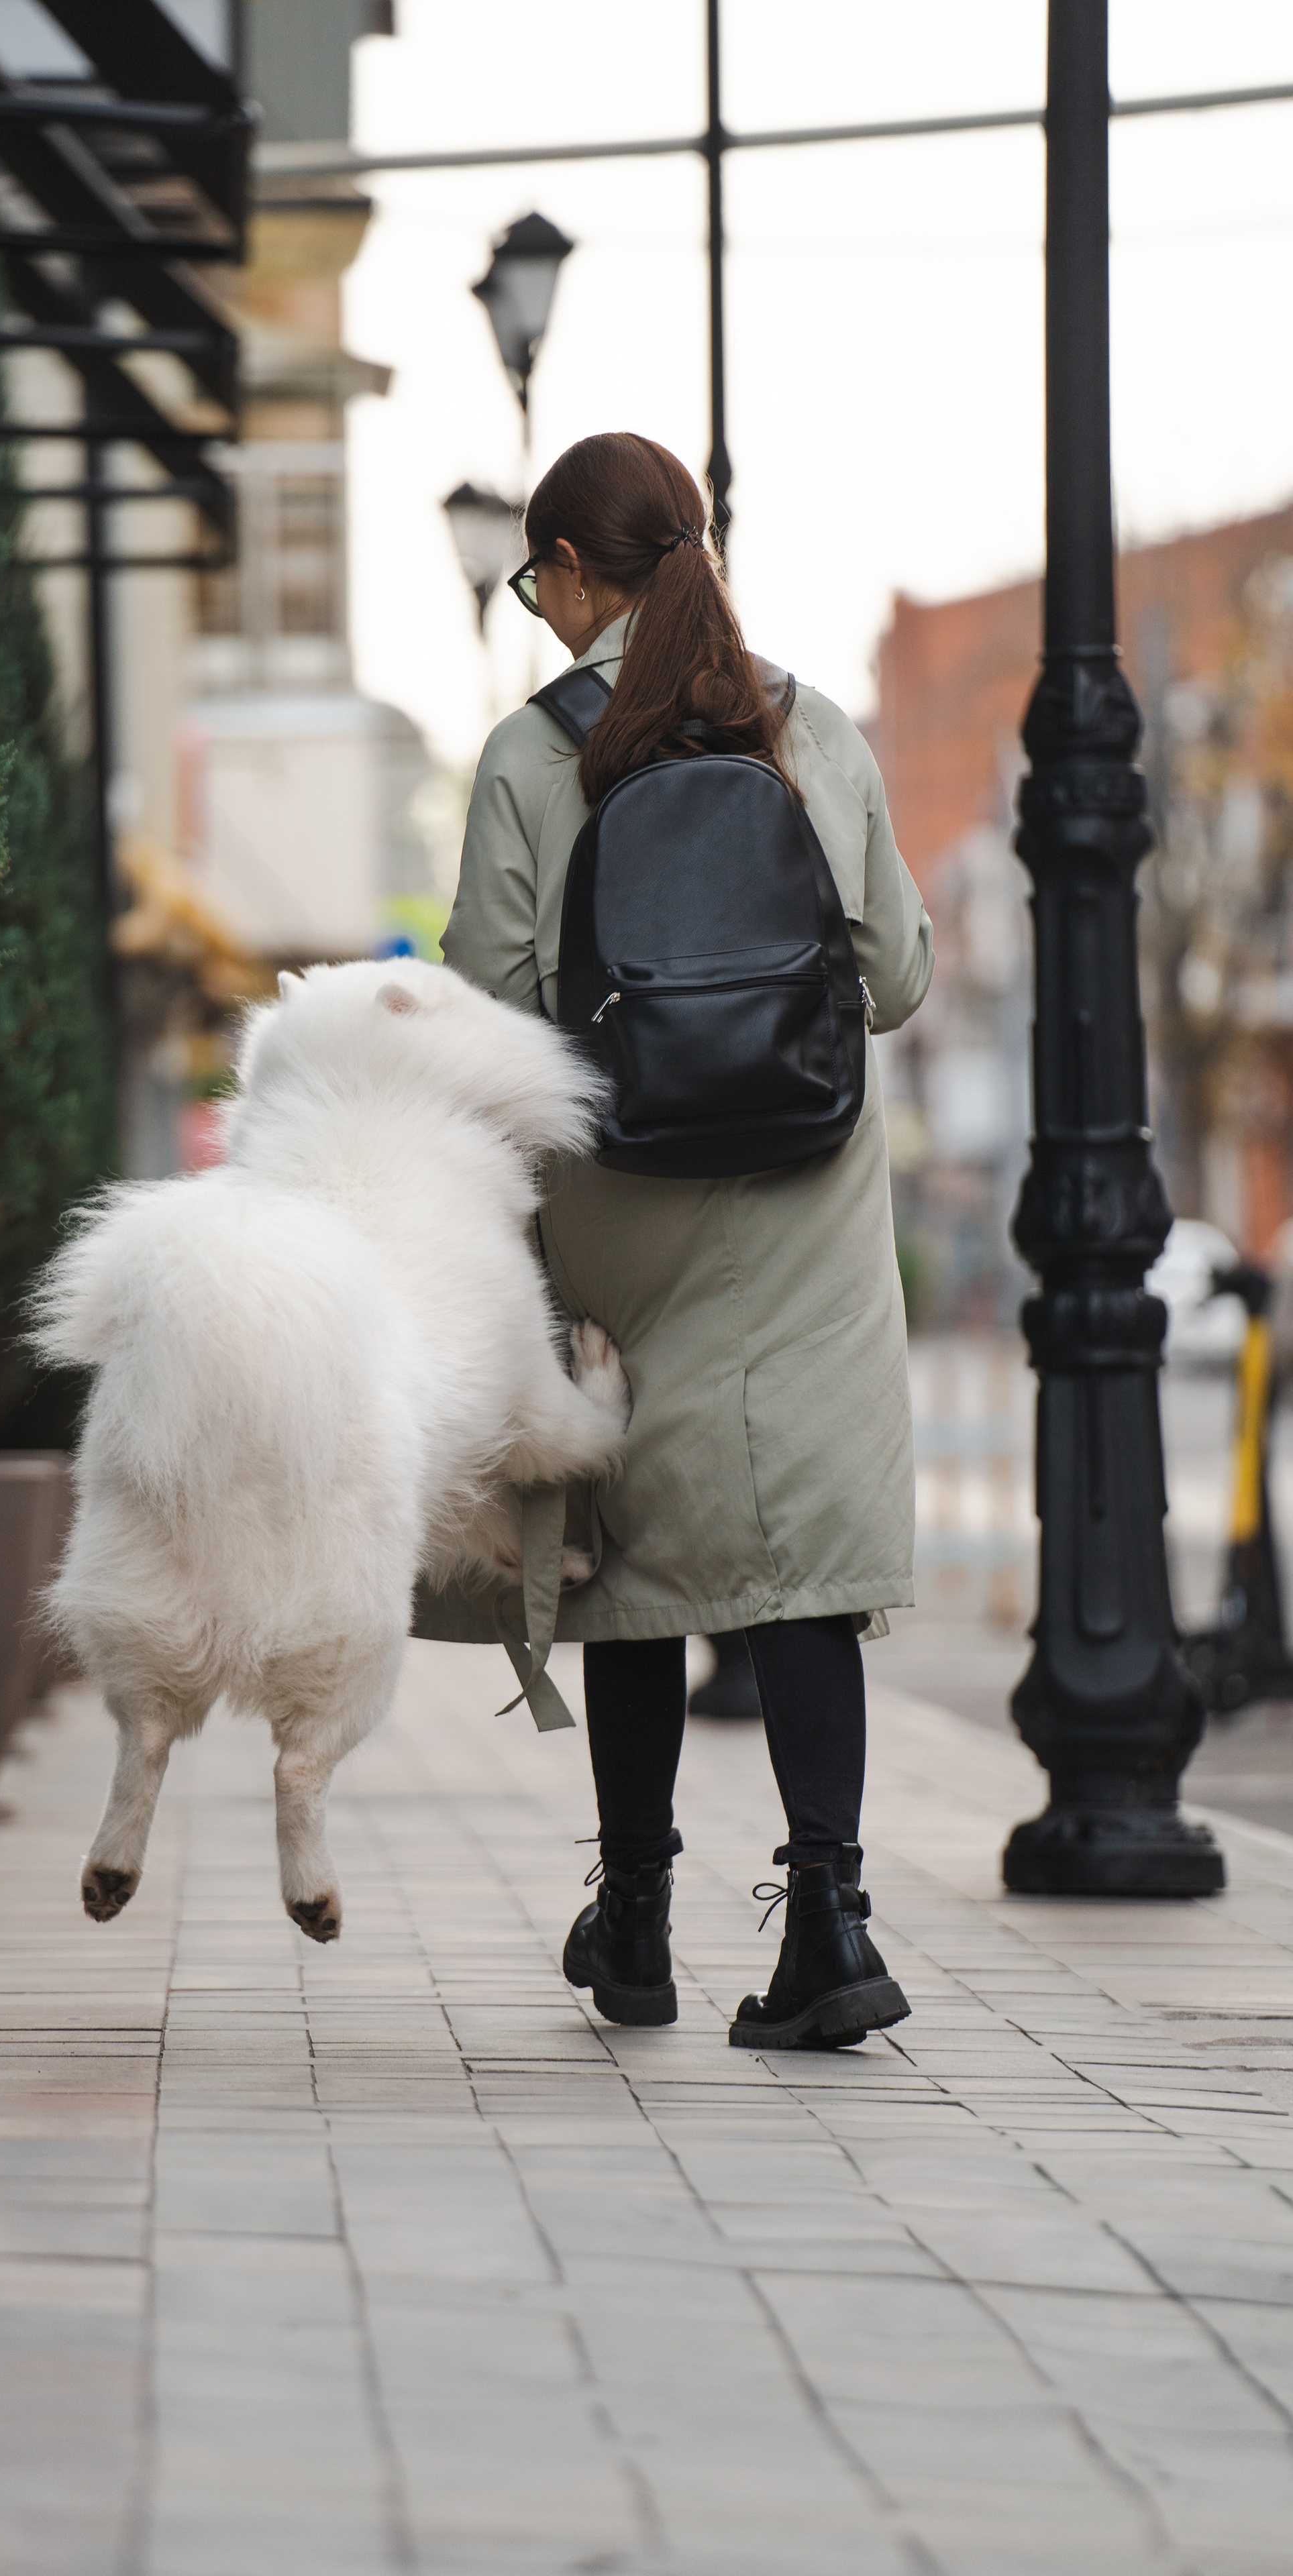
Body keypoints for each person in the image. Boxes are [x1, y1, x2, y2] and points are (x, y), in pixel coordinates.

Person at [437, 431, 933, 2048]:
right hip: (804, 1200)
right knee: (798, 1563)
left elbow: (488, 1013)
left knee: (633, 1561)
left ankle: (636, 1924)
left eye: (538, 585)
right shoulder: (808, 725)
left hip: (620, 1200)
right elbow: (896, 978)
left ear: (572, 573)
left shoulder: (529, 756)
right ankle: (829, 1927)